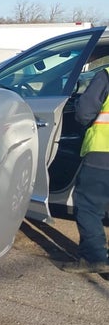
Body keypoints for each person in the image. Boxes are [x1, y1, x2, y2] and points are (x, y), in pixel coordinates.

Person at [63, 66, 109, 272]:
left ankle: (94, 257)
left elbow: (84, 113)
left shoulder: (106, 75)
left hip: (103, 151)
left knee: (89, 205)